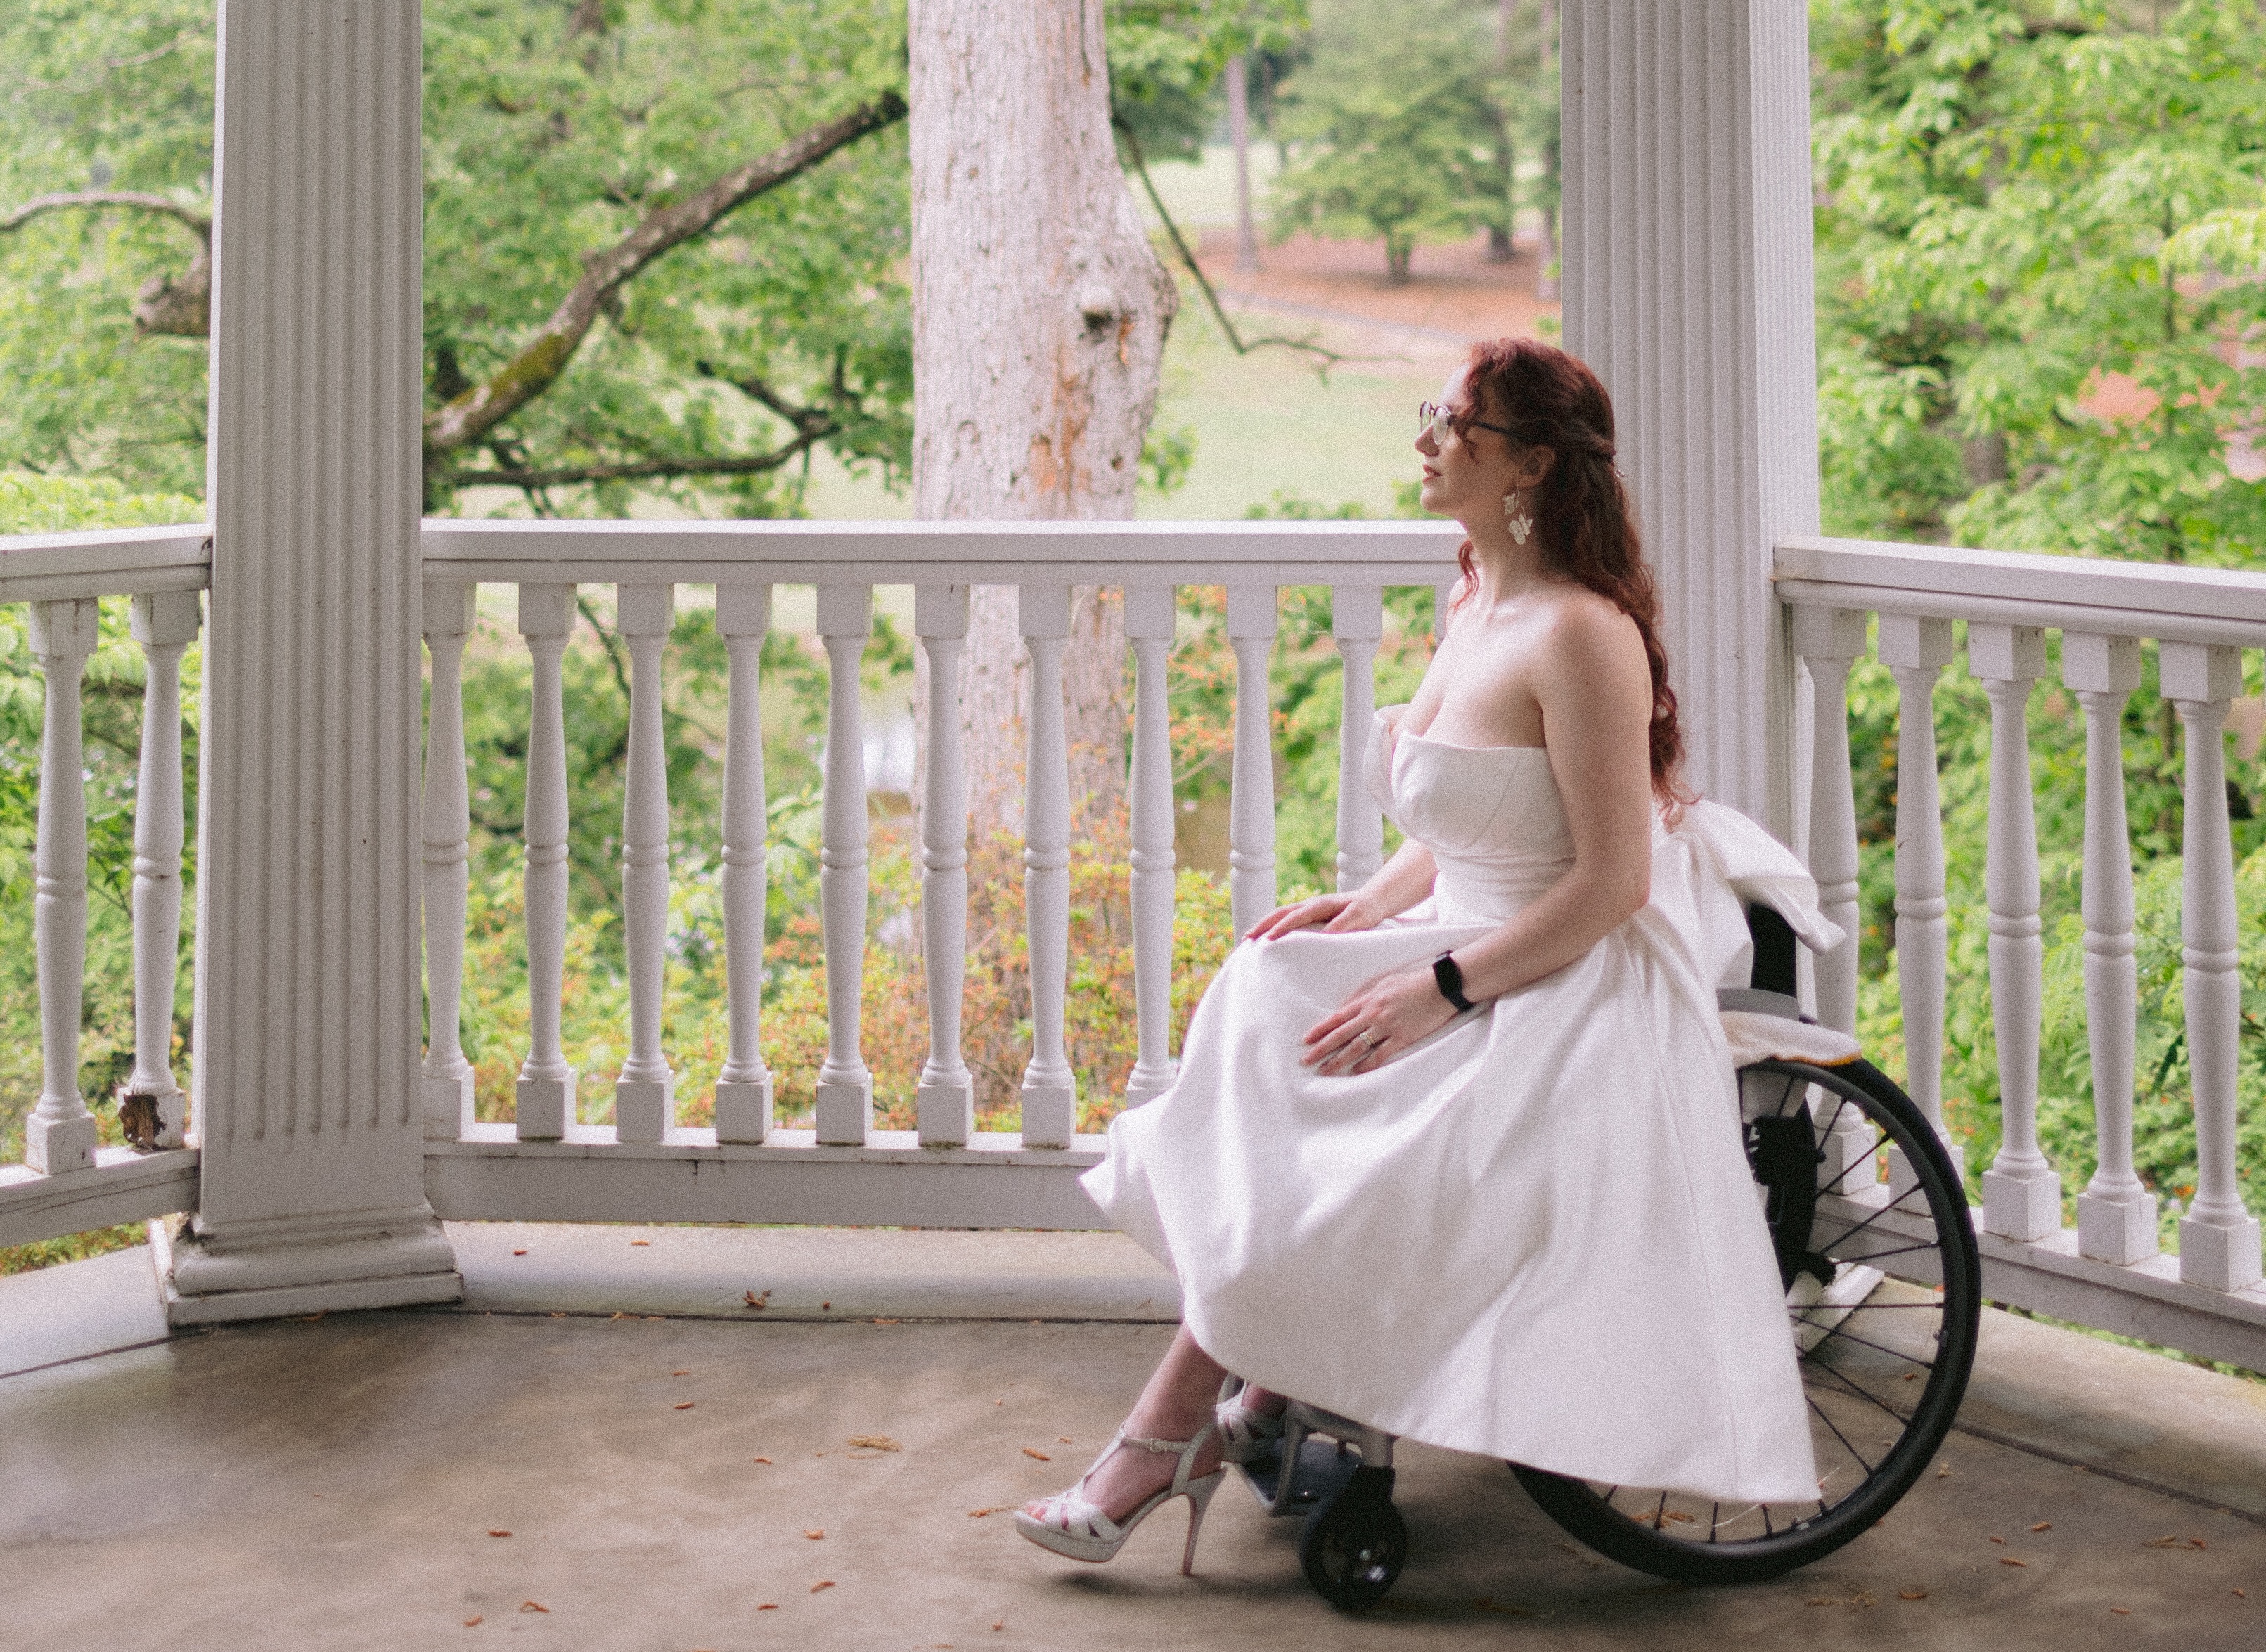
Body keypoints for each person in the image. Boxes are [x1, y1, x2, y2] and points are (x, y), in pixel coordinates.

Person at [1017, 337, 1836, 1576]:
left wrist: (1439, 991)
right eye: (1437, 414)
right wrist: (1365, 904)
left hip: (1561, 968)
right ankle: (1262, 1384)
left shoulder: (1582, 633)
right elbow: (1470, 817)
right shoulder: (1474, 594)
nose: (1429, 438)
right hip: (1463, 929)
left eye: (1459, 422)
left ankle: (1172, 1430)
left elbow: (1610, 881)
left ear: (1533, 465)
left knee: (1365, 1139)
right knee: (1263, 990)